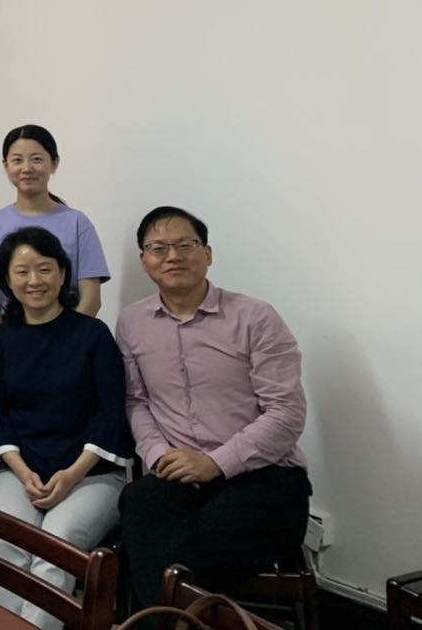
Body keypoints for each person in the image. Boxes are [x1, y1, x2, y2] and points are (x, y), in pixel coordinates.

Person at [116, 206, 311, 610]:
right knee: (138, 503)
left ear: (207, 253)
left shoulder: (255, 317)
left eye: (185, 245)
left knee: (180, 550)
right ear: (144, 260)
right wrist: (159, 454)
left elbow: (286, 413)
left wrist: (214, 463)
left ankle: (160, 619)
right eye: (158, 248)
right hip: (177, 475)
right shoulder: (132, 323)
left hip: (262, 476)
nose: (173, 256)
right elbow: (136, 401)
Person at [0, 227, 133, 629]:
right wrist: (22, 471)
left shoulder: (93, 335)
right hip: (20, 470)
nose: (35, 281)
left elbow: (110, 416)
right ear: (7, 280)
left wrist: (71, 475)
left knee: (55, 549)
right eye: (22, 272)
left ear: (63, 274)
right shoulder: (0, 341)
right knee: (5, 540)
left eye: (44, 269)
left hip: (91, 473)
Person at [0, 124, 110, 331]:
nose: (27, 168)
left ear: (54, 163)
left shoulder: (77, 223)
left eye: (36, 159)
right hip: (11, 336)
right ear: (6, 165)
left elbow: (91, 298)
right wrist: (3, 341)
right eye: (17, 160)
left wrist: (69, 342)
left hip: (67, 337)